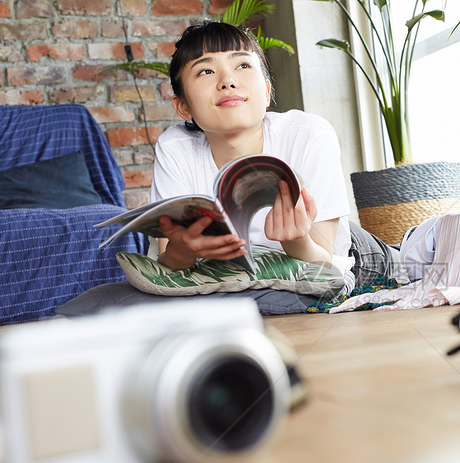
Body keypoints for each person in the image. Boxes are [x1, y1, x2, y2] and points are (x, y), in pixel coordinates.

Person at [151, 20, 402, 286]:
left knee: (420, 267)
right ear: (183, 106)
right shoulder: (174, 148)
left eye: (243, 65)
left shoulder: (309, 134)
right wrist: (182, 252)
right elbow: (170, 262)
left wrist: (296, 242)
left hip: (347, 258)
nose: (228, 81)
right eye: (205, 71)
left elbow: (327, 263)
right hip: (250, 277)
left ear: (267, 91)